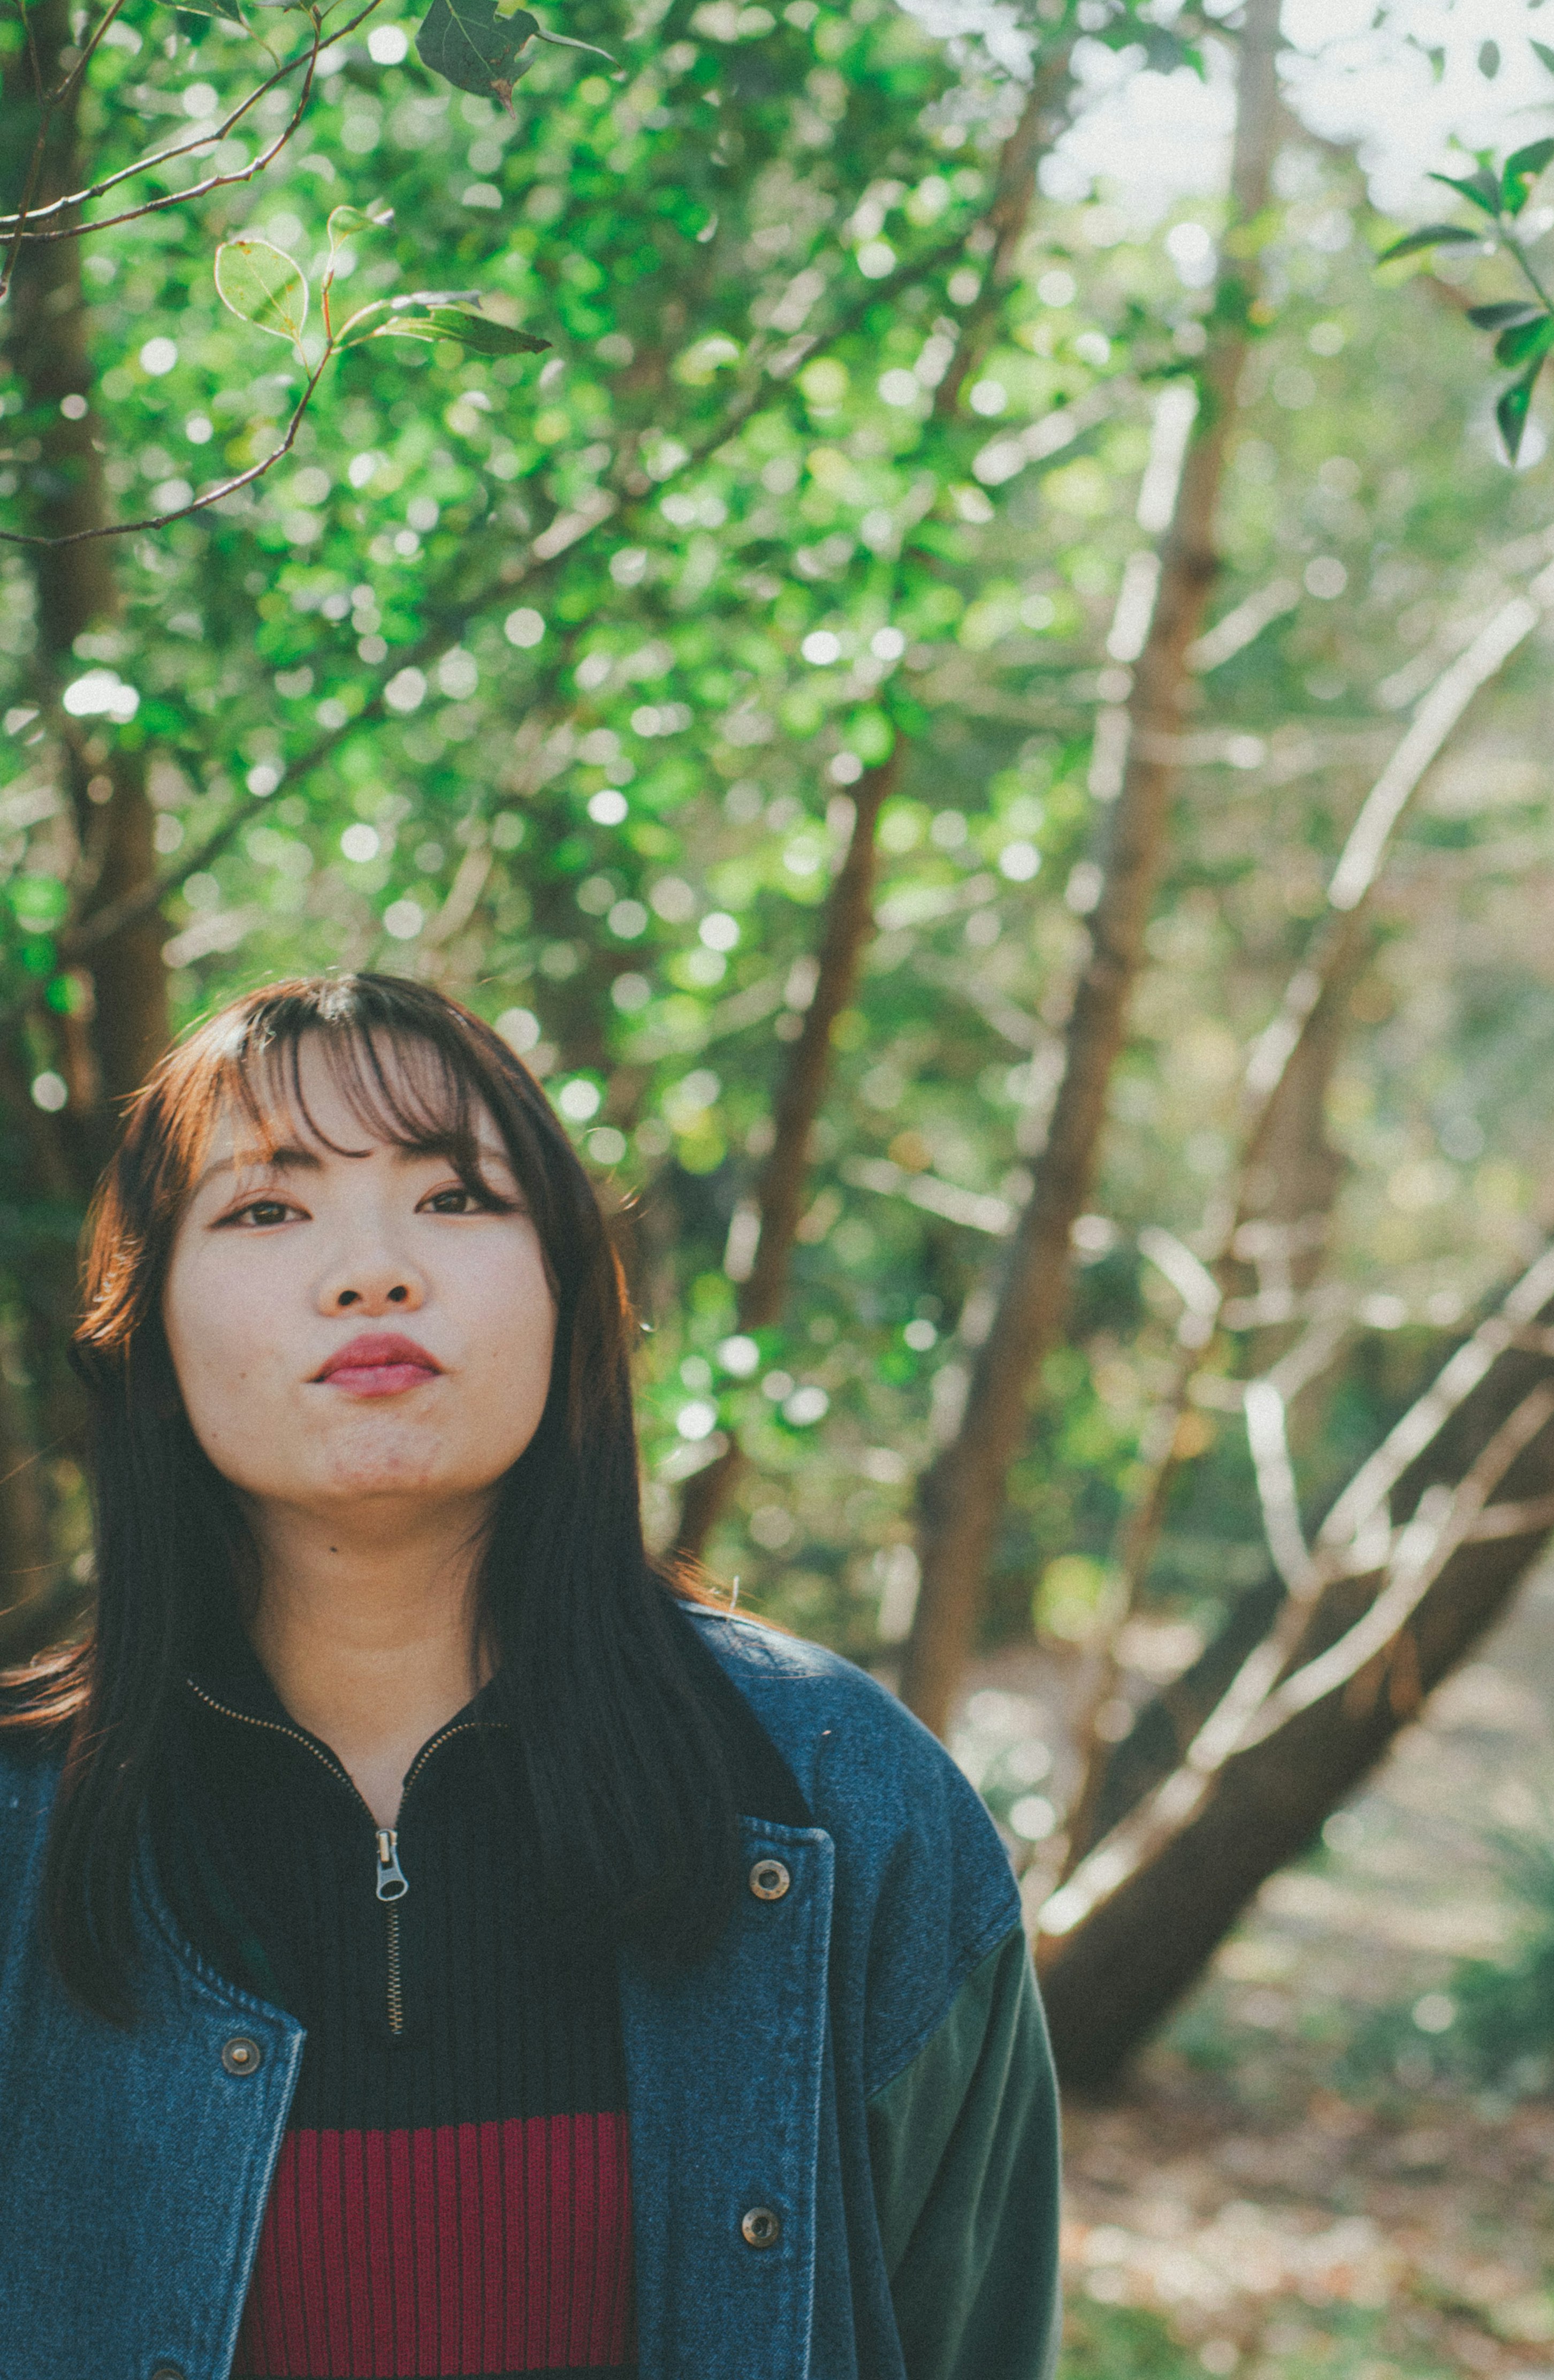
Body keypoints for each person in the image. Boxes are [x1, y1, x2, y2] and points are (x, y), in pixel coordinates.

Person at [0, 971, 1062, 2380]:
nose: (372, 1271)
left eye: (456, 1199)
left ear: (571, 1291)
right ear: (147, 1332)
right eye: (267, 1208)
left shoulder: (847, 1808)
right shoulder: (23, 1841)